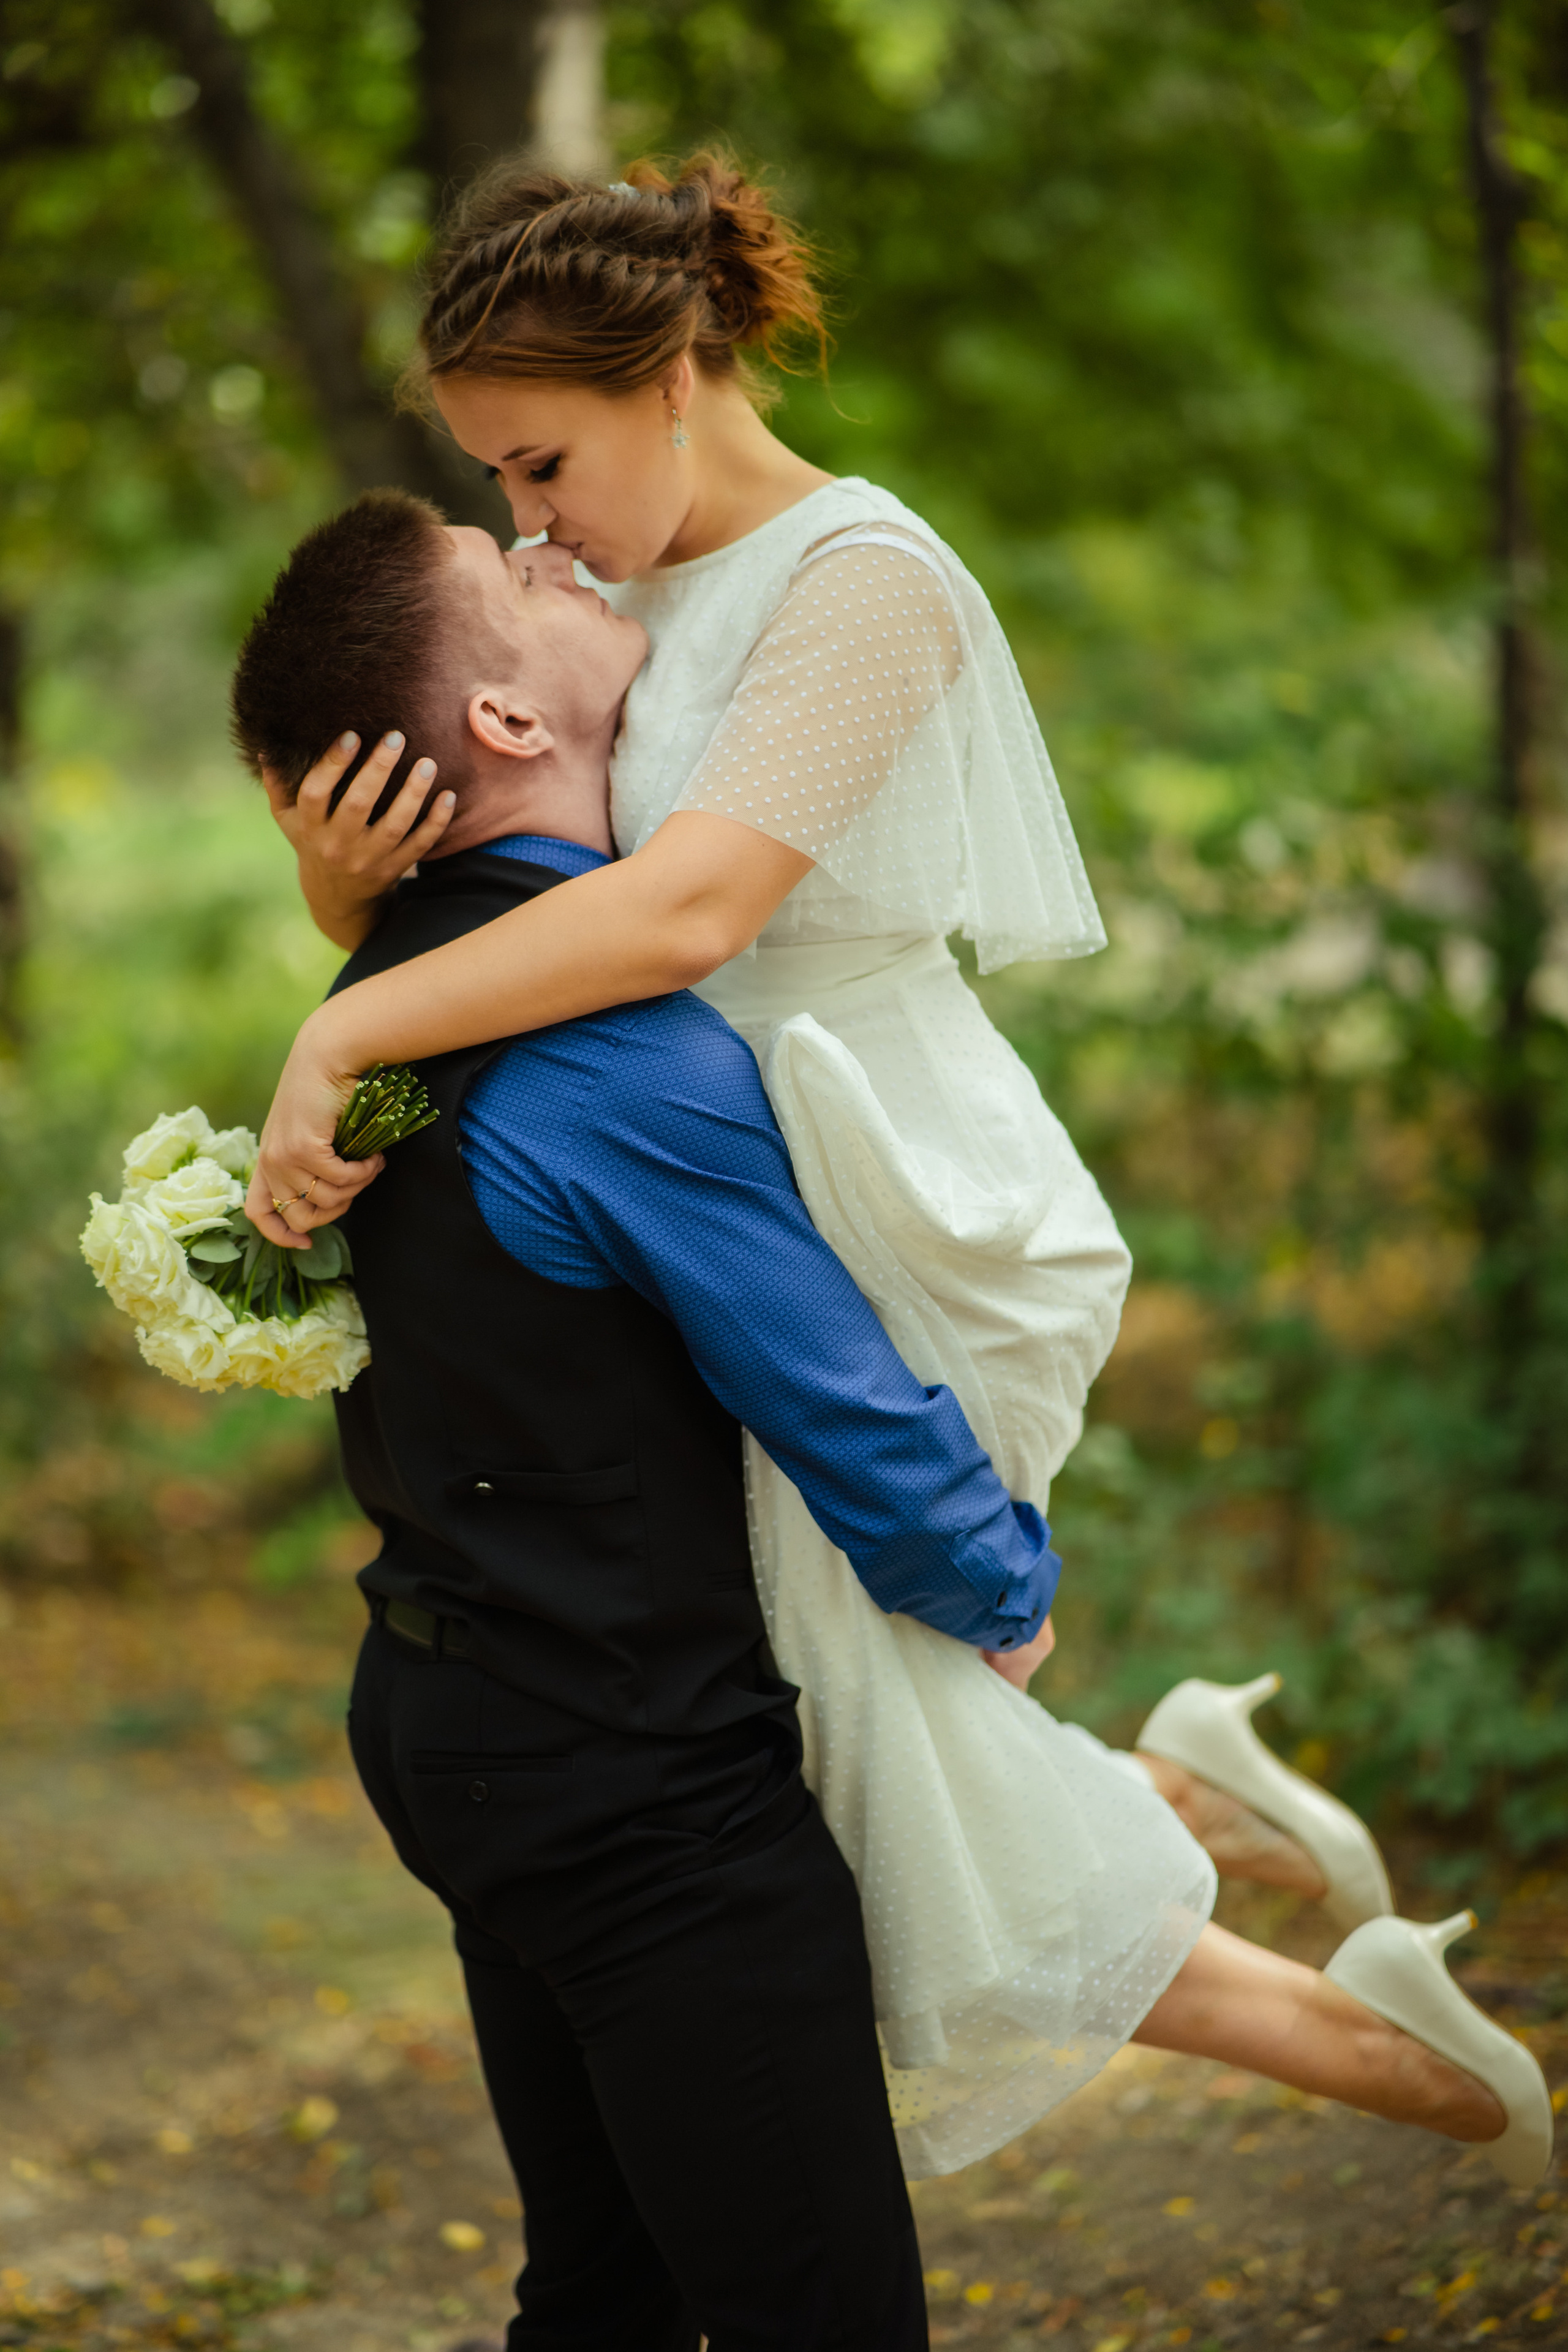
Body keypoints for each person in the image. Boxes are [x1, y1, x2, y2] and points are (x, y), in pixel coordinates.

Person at [239, 156, 1551, 2198]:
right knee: (842, 1743)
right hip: (684, 1164)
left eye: (543, 461)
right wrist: (350, 897)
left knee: (838, 1743)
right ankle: (1234, 1858)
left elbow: (686, 913)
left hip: (865, 1174)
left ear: (673, 376)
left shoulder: (865, 580)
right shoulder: (609, 597)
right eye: (498, 482)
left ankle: (1357, 2011)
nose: (531, 523)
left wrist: (340, 1034)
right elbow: (531, 863)